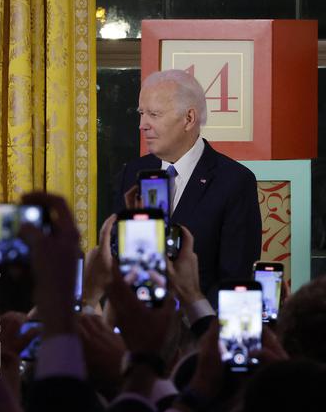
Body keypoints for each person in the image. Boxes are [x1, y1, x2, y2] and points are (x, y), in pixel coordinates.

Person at [111, 69, 261, 300]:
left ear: (189, 118)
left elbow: (235, 279)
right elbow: (115, 258)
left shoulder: (235, 181)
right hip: (135, 317)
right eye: (141, 113)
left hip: (200, 319)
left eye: (154, 114)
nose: (142, 125)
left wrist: (196, 315)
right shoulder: (131, 174)